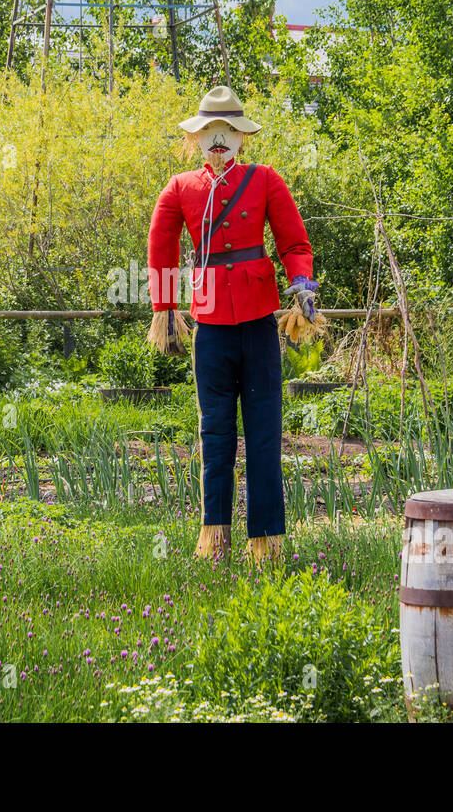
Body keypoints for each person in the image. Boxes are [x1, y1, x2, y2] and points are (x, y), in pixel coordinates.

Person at [146, 85, 319, 563]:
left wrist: (302, 283)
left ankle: (266, 543)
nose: (219, 141)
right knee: (214, 434)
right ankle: (214, 540)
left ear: (243, 138)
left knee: (264, 433)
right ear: (196, 139)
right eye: (210, 133)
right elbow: (161, 250)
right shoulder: (180, 188)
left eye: (228, 133)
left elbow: (293, 242)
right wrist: (165, 309)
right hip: (210, 326)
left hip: (261, 321)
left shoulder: (266, 180)